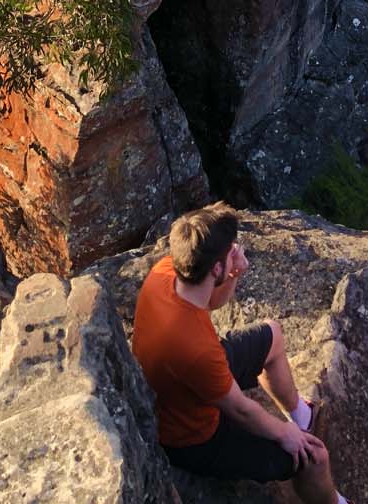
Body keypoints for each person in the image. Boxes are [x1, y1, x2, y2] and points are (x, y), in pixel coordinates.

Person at [132, 202, 352, 504]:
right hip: (191, 437)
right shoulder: (196, 349)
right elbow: (240, 409)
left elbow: (210, 301)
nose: (235, 250)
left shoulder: (166, 272)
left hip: (184, 381)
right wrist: (284, 434)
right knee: (313, 457)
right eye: (228, 253)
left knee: (272, 334)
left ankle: (303, 417)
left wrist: (232, 273)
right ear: (215, 267)